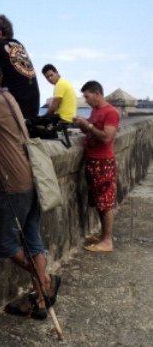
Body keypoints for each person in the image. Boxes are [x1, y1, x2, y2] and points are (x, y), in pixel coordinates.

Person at [0, 61, 60, 319]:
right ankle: (40, 300)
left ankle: (44, 280)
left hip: (14, 183)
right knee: (33, 239)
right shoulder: (8, 97)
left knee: (6, 244)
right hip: (32, 177)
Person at [73, 81, 120, 252]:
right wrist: (83, 125)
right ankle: (103, 235)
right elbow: (92, 133)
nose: (85, 100)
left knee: (105, 202)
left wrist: (89, 126)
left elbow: (106, 137)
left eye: (87, 96)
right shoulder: (96, 111)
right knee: (99, 201)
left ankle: (107, 241)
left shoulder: (111, 112)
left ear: (97, 93)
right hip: (93, 160)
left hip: (103, 161)